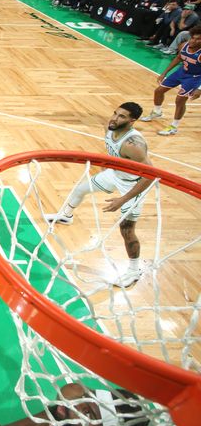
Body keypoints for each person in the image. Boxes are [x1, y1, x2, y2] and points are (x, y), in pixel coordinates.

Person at [45, 102, 152, 288]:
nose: (115, 118)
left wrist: (123, 199)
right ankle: (66, 216)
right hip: (116, 174)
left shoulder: (133, 145)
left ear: (132, 121)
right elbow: (112, 151)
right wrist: (107, 165)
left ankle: (134, 270)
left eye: (122, 117)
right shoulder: (110, 129)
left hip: (134, 185)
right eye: (115, 113)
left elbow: (150, 175)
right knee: (80, 189)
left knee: (126, 229)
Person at [0, 383, 155, 426]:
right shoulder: (71, 399)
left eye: (88, 413)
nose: (76, 404)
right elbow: (52, 418)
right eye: (88, 396)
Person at [141, 25, 201, 135]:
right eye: (193, 38)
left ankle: (174, 126)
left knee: (180, 100)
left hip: (195, 77)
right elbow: (178, 58)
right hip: (181, 72)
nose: (194, 40)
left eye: (198, 39)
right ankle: (157, 112)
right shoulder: (184, 45)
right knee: (158, 91)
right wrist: (164, 72)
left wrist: (199, 88)